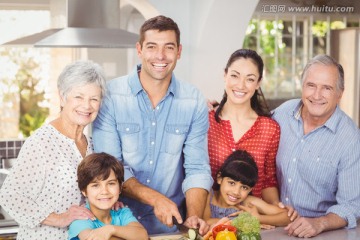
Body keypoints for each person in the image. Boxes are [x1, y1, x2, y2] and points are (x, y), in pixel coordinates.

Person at [92, 15, 213, 235]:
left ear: (179, 51)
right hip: (118, 227)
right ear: (139, 50)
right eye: (152, 46)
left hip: (170, 229)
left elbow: (196, 168)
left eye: (168, 47)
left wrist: (193, 215)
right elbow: (108, 168)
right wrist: (155, 199)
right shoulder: (111, 96)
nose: (160, 56)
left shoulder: (193, 100)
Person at [0, 60, 107, 240]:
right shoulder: (41, 143)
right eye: (79, 97)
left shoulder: (92, 145)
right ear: (63, 97)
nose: (87, 106)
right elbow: (10, 197)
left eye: (94, 99)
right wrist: (60, 218)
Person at [273, 54, 360, 238]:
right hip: (273, 225)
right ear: (302, 86)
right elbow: (250, 124)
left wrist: (320, 223)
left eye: (327, 88)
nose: (317, 95)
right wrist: (217, 108)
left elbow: (351, 205)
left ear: (340, 93)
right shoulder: (282, 113)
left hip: (319, 232)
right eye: (311, 85)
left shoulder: (351, 139)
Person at [208, 49, 282, 206]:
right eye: (235, 76)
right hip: (209, 219)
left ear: (258, 83)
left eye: (250, 79)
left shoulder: (269, 129)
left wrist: (276, 207)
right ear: (225, 75)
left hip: (252, 219)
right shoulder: (205, 121)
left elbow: (268, 180)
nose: (241, 85)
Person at [68, 152, 148, 240]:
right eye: (95, 185)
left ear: (120, 187)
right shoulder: (81, 218)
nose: (105, 191)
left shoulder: (121, 212)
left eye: (111, 184)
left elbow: (142, 235)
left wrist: (111, 229)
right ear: (84, 191)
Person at [204, 150, 291, 227]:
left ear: (250, 189)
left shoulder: (247, 202)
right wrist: (243, 222)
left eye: (244, 187)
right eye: (231, 183)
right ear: (219, 178)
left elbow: (288, 216)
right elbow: (206, 222)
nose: (236, 192)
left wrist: (258, 218)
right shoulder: (208, 195)